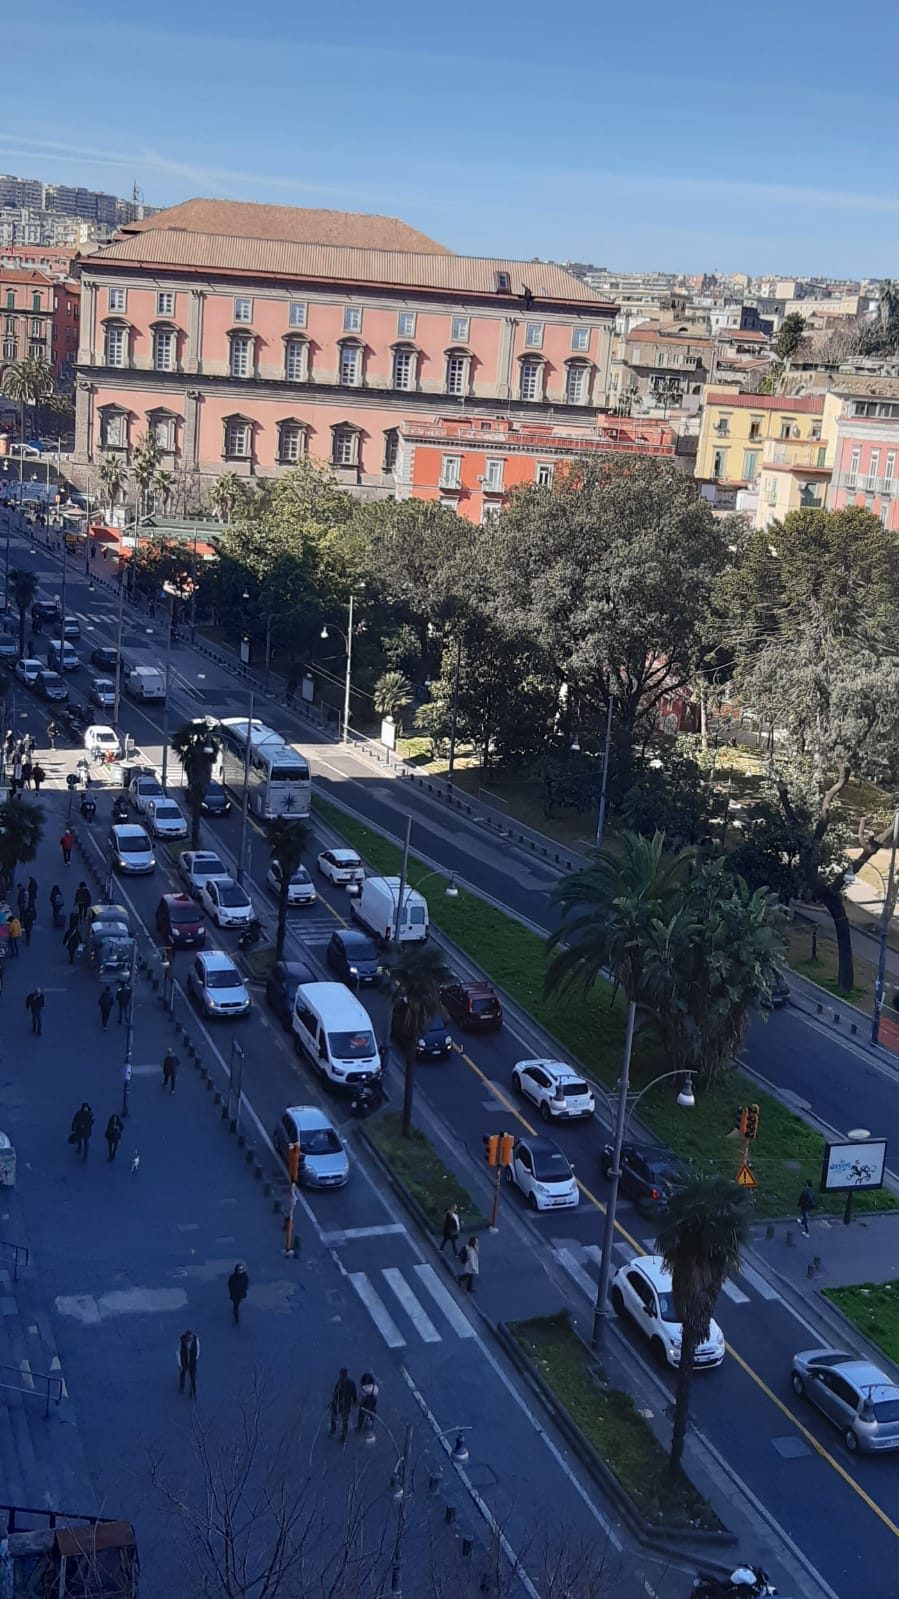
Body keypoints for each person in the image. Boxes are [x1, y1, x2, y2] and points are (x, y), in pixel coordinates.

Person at [330, 1368, 357, 1443]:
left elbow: (335, 1394)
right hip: (347, 1405)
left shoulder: (339, 1383)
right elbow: (354, 1394)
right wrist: (354, 1401)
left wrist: (333, 1402)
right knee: (345, 1420)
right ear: (346, 1374)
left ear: (341, 1374)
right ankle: (344, 1436)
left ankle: (333, 1431)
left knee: (333, 1417)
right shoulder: (352, 1383)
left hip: (338, 1404)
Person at [178, 1330, 200, 1398]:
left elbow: (198, 1349)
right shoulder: (182, 1341)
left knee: (193, 1376)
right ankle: (182, 1386)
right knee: (183, 1372)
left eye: (191, 1338)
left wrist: (196, 1357)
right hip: (184, 1360)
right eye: (188, 1338)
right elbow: (179, 1351)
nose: (190, 1339)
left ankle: (193, 1392)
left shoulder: (195, 1339)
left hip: (192, 1360)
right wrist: (180, 1363)